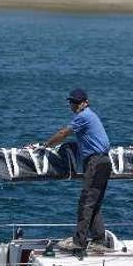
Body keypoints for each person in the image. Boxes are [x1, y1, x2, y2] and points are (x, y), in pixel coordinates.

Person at [42, 88, 112, 254]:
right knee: (94, 203)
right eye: (71, 102)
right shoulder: (91, 116)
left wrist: (46, 145)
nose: (72, 105)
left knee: (86, 203)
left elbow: (63, 133)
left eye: (75, 102)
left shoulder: (83, 117)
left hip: (95, 163)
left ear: (84, 103)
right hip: (104, 161)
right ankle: (99, 240)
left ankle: (79, 242)